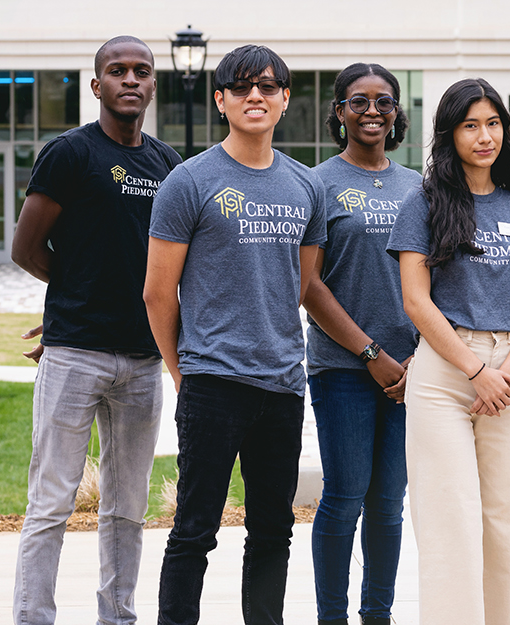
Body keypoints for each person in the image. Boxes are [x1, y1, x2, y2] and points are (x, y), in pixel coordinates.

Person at [144, 44, 327, 625]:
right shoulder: (188, 182)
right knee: (194, 529)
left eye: (269, 87)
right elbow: (157, 292)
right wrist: (183, 373)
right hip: (212, 383)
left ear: (285, 100)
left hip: (281, 384)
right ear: (221, 99)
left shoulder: (305, 185)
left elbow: (300, 283)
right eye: (243, 87)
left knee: (273, 529)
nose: (257, 96)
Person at [10, 35, 180, 625]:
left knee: (126, 509)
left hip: (142, 360)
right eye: (117, 71)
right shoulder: (69, 154)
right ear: (97, 85)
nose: (130, 79)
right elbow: (26, 248)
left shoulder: (168, 164)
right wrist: (73, 299)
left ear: (153, 84)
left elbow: (175, 265)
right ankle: (33, 617)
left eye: (141, 71)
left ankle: (118, 616)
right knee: (51, 503)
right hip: (75, 354)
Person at [386, 77, 510, 625]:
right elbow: (417, 301)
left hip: (506, 372)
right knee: (451, 520)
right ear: (449, 134)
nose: (484, 136)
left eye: (493, 124)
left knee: (503, 519)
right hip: (444, 372)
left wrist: (505, 372)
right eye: (470, 125)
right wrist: (475, 370)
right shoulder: (425, 202)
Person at [302, 62, 420, 625]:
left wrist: (416, 359)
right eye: (359, 101)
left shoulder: (419, 187)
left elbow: (436, 279)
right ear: (339, 111)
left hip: (412, 373)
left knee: (388, 505)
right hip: (343, 367)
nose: (372, 110)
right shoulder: (316, 183)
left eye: (383, 101)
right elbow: (309, 286)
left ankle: (378, 615)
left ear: (397, 113)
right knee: (345, 495)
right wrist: (372, 355)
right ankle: (332, 617)